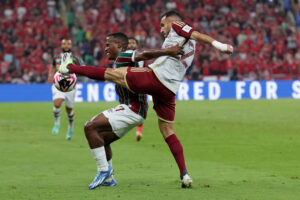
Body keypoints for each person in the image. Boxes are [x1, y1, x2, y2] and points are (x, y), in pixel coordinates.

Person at [59, 10, 233, 188]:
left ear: (171, 21)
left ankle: (71, 68)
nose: (161, 29)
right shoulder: (189, 44)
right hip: (170, 90)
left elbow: (195, 33)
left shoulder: (177, 25)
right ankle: (184, 174)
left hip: (157, 78)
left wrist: (219, 45)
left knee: (112, 74)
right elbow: (192, 38)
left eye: (162, 25)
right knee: (168, 131)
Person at [64, 33, 183, 189]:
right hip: (136, 111)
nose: (105, 48)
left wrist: (169, 51)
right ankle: (109, 179)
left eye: (108, 45)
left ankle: (104, 171)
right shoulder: (121, 62)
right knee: (101, 138)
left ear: (119, 46)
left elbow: (144, 54)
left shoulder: (124, 57)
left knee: (90, 127)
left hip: (132, 109)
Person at [47, 39, 85, 140]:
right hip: (58, 84)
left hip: (70, 86)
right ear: (61, 45)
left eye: (68, 44)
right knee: (57, 104)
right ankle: (57, 123)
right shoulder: (57, 57)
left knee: (69, 110)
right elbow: (52, 67)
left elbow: (84, 67)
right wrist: (50, 75)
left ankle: (70, 128)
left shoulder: (76, 58)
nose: (66, 45)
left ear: (71, 46)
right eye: (64, 44)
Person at [127, 36, 144, 141]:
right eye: (130, 43)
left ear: (137, 45)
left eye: (133, 43)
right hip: (128, 84)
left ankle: (138, 131)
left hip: (138, 84)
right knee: (131, 107)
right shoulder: (126, 54)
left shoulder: (139, 54)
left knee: (139, 108)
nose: (132, 44)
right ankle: (137, 129)